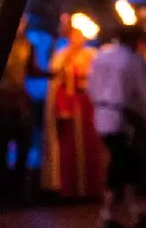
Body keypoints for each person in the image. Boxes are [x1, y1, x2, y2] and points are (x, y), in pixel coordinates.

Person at [87, 24, 146, 228]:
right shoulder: (132, 60)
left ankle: (134, 212)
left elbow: (91, 86)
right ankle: (107, 217)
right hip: (125, 117)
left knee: (126, 165)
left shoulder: (102, 56)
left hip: (103, 114)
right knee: (122, 165)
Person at [42, 19, 105, 200]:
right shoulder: (61, 55)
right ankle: (70, 189)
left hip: (89, 104)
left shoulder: (92, 54)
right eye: (74, 36)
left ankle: (93, 188)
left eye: (80, 35)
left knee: (92, 144)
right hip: (70, 105)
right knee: (70, 145)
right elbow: (56, 81)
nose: (78, 39)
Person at [0, 18, 43, 204]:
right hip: (3, 100)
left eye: (23, 23)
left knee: (24, 146)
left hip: (20, 101)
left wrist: (54, 72)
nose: (20, 26)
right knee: (2, 148)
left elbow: (32, 70)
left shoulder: (28, 45)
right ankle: (2, 190)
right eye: (18, 22)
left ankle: (18, 189)